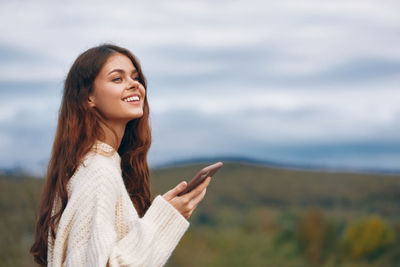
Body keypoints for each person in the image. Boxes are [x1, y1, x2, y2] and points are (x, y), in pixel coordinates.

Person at [30, 43, 211, 266]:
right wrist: (163, 221)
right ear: (89, 98)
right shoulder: (98, 172)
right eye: (118, 79)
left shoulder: (99, 165)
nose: (134, 84)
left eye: (135, 77)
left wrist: (168, 215)